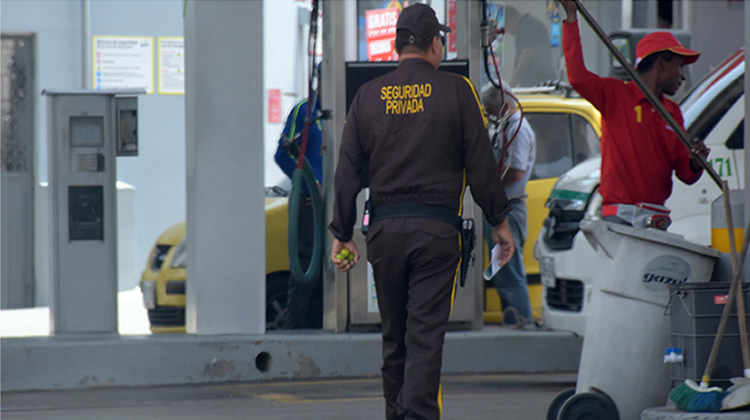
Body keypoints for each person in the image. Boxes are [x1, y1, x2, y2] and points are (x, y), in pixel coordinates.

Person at [328, 4, 515, 420]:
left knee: (395, 340)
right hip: (436, 236)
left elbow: (347, 171)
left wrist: (342, 232)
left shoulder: (367, 97)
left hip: (385, 236)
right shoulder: (457, 90)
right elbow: (482, 164)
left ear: (397, 46)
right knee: (425, 340)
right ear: (435, 44)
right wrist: (499, 222)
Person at [559, 0, 709, 227]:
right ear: (660, 65)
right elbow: (578, 78)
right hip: (619, 215)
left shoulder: (673, 112)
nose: (683, 75)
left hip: (656, 217)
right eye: (679, 65)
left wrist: (696, 163)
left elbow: (685, 174)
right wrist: (571, 18)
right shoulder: (616, 95)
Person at [481, 82, 536, 326]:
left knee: (510, 272)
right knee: (503, 273)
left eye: (490, 109)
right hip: (501, 207)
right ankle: (513, 322)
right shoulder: (504, 127)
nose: (489, 114)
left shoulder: (518, 129)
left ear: (503, 106)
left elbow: (515, 171)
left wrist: (489, 185)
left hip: (510, 209)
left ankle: (523, 324)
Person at [274, 73, 323, 330]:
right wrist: (311, 185)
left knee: (339, 262)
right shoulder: (306, 112)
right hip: (308, 203)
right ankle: (295, 328)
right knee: (306, 265)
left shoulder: (347, 109)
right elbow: (283, 154)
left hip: (339, 203)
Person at [503, 5, 557, 87]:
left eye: (505, 26)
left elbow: (527, 53)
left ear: (510, 18)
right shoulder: (528, 24)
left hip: (537, 83)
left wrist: (513, 81)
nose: (507, 31)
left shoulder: (525, 26)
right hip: (540, 81)